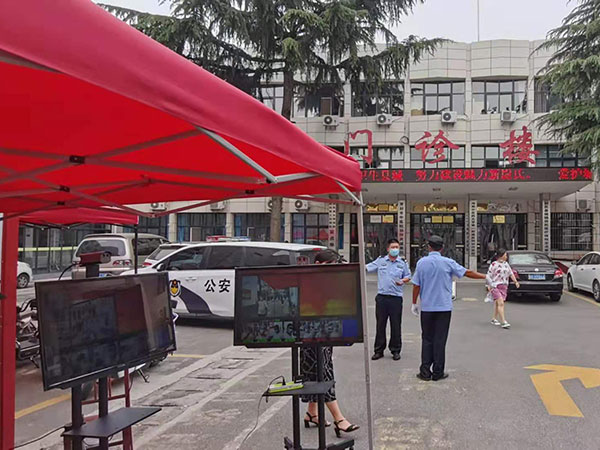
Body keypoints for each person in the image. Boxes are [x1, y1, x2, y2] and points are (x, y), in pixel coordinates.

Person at [411, 235, 486, 381]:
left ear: (429, 247)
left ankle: (425, 372)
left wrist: (414, 302)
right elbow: (467, 273)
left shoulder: (421, 263)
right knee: (440, 340)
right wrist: (485, 277)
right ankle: (438, 372)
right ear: (442, 248)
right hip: (443, 308)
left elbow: (416, 285)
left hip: (427, 308)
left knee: (427, 339)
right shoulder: (448, 262)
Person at [301, 251, 359, 438]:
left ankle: (312, 414)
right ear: (319, 264)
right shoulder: (308, 281)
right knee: (322, 374)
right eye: (332, 264)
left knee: (318, 373)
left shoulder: (327, 282)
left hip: (326, 334)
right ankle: (339, 419)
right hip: (311, 335)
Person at [366, 238, 411, 361]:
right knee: (380, 325)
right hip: (382, 297)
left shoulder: (402, 263)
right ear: (388, 249)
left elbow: (408, 276)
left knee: (396, 325)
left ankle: (395, 350)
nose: (395, 249)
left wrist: (402, 281)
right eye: (393, 247)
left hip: (396, 298)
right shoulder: (381, 261)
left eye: (397, 247)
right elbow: (367, 268)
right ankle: (378, 350)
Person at [486, 248, 520, 329]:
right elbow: (489, 275)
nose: (506, 257)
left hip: (504, 286)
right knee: (501, 303)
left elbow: (510, 273)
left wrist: (515, 282)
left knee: (498, 303)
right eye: (505, 255)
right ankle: (503, 321)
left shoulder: (506, 264)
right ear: (500, 256)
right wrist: (488, 285)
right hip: (495, 286)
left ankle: (494, 319)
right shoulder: (494, 264)